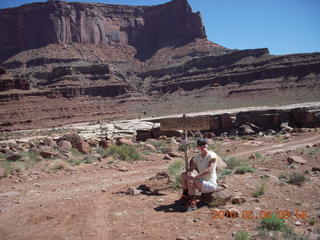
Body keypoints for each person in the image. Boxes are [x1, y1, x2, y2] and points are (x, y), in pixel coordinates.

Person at [177, 138, 218, 211]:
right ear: (198, 147)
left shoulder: (212, 155)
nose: (202, 147)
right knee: (184, 175)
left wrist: (195, 176)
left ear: (207, 145)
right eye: (200, 145)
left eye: (204, 145)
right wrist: (189, 172)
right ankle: (185, 195)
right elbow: (192, 168)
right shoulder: (198, 157)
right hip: (201, 181)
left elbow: (209, 169)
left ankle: (192, 202)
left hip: (210, 184)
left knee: (191, 179)